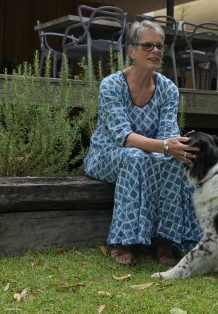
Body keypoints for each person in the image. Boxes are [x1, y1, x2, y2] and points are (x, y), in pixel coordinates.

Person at [84, 19, 202, 266]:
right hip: (107, 154)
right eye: (147, 46)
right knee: (135, 156)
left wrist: (178, 147)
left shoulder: (168, 89)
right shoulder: (111, 85)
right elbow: (123, 137)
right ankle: (122, 241)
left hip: (150, 154)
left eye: (159, 46)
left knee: (174, 162)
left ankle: (164, 241)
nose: (156, 51)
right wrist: (165, 146)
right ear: (131, 51)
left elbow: (167, 134)